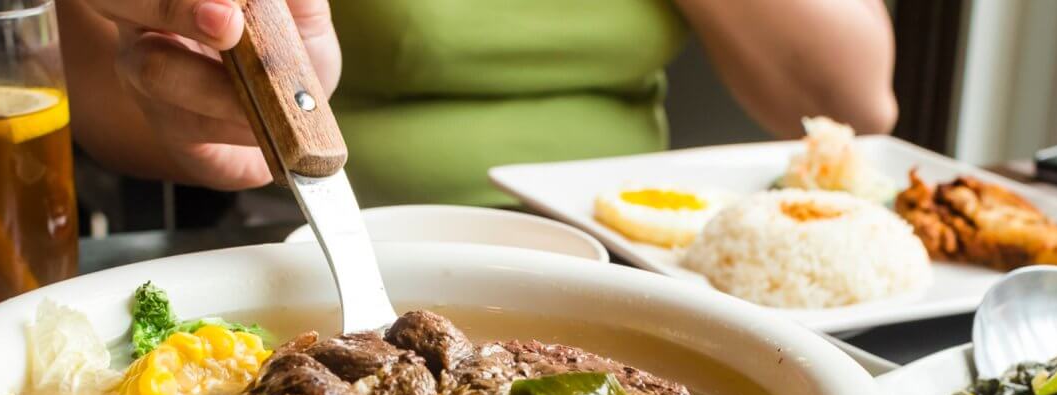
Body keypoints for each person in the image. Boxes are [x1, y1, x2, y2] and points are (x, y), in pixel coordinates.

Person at [57, 0, 897, 207]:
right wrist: (198, 118)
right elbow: (95, 84)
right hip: (307, 229)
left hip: (638, 256)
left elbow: (852, 98)